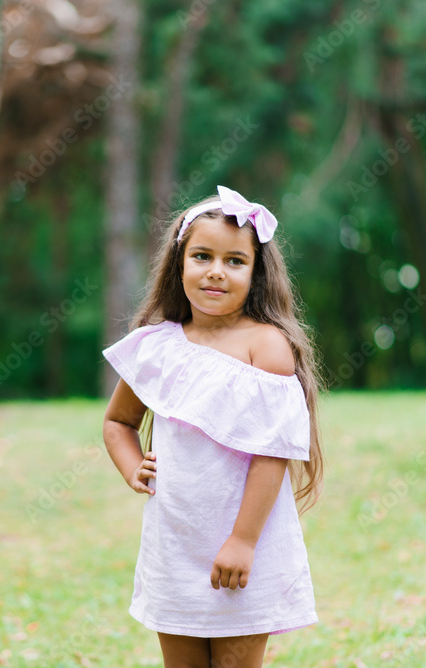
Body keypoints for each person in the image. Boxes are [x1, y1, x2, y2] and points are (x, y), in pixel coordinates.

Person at [101, 185, 325, 668]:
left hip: (246, 546)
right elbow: (119, 422)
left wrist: (242, 541)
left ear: (256, 272)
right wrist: (132, 466)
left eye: (235, 261)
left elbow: (273, 453)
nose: (216, 272)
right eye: (202, 256)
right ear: (179, 263)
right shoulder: (157, 347)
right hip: (174, 544)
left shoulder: (265, 348)